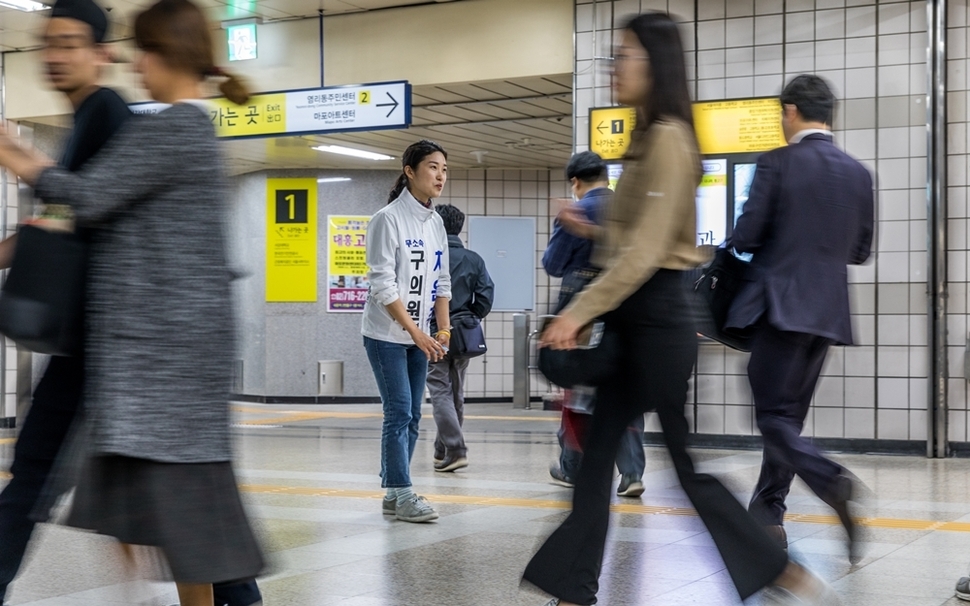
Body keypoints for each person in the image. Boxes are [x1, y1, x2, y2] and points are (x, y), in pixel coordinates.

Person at [523, 13, 836, 606]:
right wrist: (590, 234)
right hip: (636, 320)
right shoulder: (647, 139)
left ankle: (774, 568)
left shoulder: (668, 137)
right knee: (595, 466)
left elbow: (645, 252)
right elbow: (633, 236)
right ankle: (574, 591)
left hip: (659, 323)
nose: (616, 66)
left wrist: (578, 311)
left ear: (656, 65)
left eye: (627, 56)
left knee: (685, 472)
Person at [0, 1, 265, 605]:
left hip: (167, 367)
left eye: (143, 51)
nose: (135, 64)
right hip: (162, 363)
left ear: (168, 54)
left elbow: (87, 201)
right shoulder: (178, 128)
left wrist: (21, 159)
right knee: (185, 523)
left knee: (191, 521)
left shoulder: (174, 127)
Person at [0, 2, 129, 603]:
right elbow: (62, 217)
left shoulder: (106, 112)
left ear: (103, 53)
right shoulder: (86, 119)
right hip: (93, 339)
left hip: (108, 340)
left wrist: (26, 164)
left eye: (70, 43)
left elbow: (84, 205)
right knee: (167, 491)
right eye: (47, 43)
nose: (55, 54)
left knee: (32, 475)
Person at [726, 74, 874, 562]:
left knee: (772, 416)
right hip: (828, 312)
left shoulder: (778, 162)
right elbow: (860, 251)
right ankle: (768, 516)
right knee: (786, 419)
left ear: (790, 111)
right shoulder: (857, 173)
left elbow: (746, 236)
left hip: (781, 307)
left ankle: (833, 482)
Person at [542, 151, 645, 498]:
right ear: (605, 175)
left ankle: (572, 466)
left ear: (575, 182)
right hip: (625, 308)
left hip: (583, 313)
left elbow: (554, 264)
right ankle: (632, 474)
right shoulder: (628, 209)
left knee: (579, 388)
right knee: (621, 388)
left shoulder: (578, 210)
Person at [362, 140, 452, 523]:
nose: (440, 176)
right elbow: (382, 285)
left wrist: (443, 329)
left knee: (414, 414)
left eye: (445, 169)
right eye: (432, 167)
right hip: (386, 334)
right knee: (398, 411)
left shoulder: (436, 222)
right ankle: (402, 492)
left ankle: (393, 490)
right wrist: (415, 331)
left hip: (421, 336)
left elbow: (442, 282)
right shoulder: (387, 219)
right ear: (409, 171)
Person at [427, 203, 493, 473]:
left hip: (434, 332)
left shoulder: (430, 255)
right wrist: (469, 317)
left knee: (440, 390)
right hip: (463, 334)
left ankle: (455, 449)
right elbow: (486, 296)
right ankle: (442, 449)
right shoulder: (473, 258)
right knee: (457, 392)